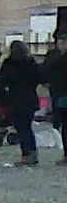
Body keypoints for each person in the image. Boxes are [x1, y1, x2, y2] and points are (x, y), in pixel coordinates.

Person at [0, 40, 41, 166]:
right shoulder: (31, 63)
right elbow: (38, 78)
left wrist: (4, 100)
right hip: (30, 99)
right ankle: (31, 153)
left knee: (22, 129)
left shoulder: (9, 64)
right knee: (27, 127)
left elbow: (1, 84)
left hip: (15, 99)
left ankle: (28, 154)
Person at [41, 31, 67, 165]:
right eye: (60, 41)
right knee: (61, 121)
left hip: (62, 92)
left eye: (64, 41)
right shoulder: (53, 55)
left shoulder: (58, 57)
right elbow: (46, 69)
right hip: (58, 92)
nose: (62, 44)